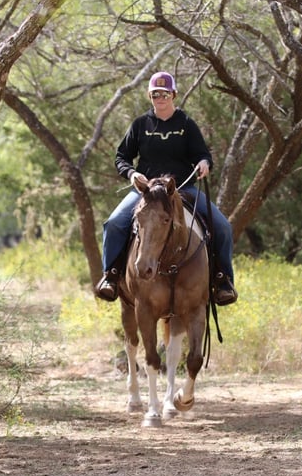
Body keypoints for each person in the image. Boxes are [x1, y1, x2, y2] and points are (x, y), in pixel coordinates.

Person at [95, 71, 238, 306]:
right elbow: (121, 157)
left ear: (173, 94)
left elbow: (202, 154)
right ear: (149, 96)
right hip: (147, 193)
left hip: (182, 190)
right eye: (155, 94)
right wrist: (132, 174)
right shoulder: (140, 124)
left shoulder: (186, 124)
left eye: (164, 94)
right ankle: (110, 276)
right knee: (113, 223)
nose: (160, 98)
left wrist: (204, 163)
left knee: (222, 226)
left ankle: (223, 281)